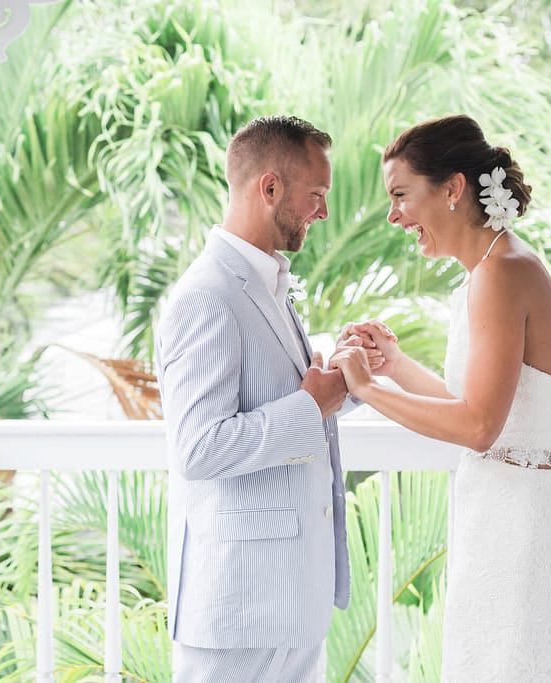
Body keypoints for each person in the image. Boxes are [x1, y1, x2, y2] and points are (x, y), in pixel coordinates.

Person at [329, 114, 551, 680]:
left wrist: (365, 389)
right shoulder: (488, 270)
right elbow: (470, 404)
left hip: (517, 538)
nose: (393, 215)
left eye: (400, 195)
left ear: (452, 188)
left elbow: (477, 428)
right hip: (497, 523)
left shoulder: (503, 274)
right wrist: (394, 367)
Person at [156, 115, 378, 682]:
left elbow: (286, 395)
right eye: (317, 195)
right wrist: (312, 406)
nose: (323, 212)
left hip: (288, 605)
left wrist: (346, 379)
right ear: (271, 188)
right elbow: (198, 448)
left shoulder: (267, 282)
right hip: (241, 611)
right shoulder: (206, 296)